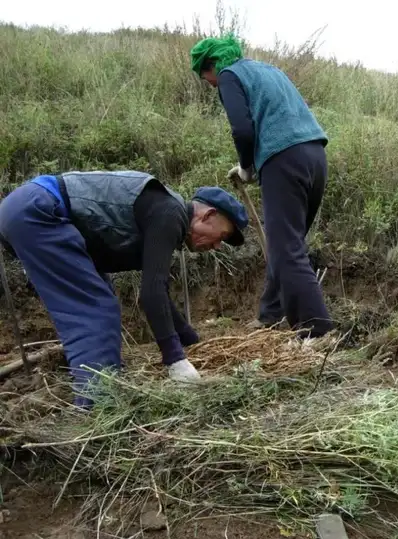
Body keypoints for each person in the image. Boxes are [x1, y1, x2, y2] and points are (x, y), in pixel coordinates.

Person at [0, 171, 249, 408]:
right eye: (221, 236)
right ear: (208, 215)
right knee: (95, 310)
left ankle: (104, 381)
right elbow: (151, 292)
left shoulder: (164, 213)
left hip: (30, 210)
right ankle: (96, 407)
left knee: (101, 295)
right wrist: (176, 362)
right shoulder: (170, 213)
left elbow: (157, 292)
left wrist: (190, 340)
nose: (217, 246)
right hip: (40, 211)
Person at [189, 33, 334, 339]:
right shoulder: (269, 70)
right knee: (286, 244)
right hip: (315, 156)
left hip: (283, 158)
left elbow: (242, 129)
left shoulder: (229, 75)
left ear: (211, 65)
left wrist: (245, 167)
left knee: (287, 249)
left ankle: (316, 332)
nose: (210, 83)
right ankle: (271, 314)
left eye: (206, 77)